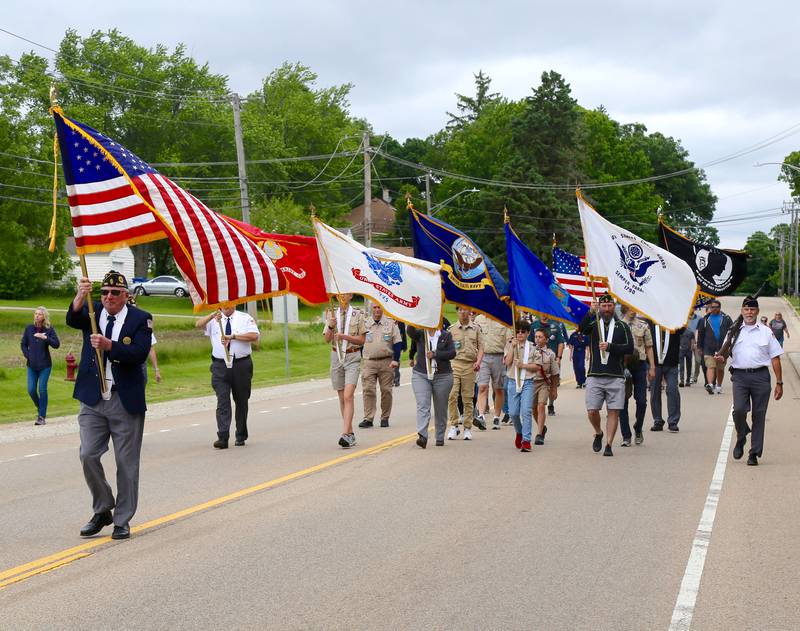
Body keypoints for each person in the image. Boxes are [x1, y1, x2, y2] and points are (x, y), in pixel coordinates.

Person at [67, 271, 152, 540]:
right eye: (104, 292)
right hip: (93, 398)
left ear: (126, 295)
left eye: (115, 293)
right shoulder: (92, 313)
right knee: (88, 454)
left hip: (123, 398)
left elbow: (139, 353)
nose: (108, 297)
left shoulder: (141, 319)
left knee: (126, 463)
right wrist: (81, 294)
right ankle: (103, 508)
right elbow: (72, 318)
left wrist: (109, 345)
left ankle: (122, 519)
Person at [715, 296, 783, 466]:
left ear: (757, 311)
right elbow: (724, 353)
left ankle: (754, 453)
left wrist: (779, 382)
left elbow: (775, 358)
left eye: (752, 309)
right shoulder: (733, 330)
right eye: (746, 309)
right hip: (740, 377)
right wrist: (720, 358)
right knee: (738, 410)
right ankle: (741, 434)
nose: (749, 312)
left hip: (761, 377)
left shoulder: (766, 331)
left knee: (759, 416)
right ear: (742, 311)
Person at [196, 304, 260, 449]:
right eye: (222, 302)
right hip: (220, 365)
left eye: (229, 302)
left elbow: (254, 336)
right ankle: (223, 437)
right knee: (223, 400)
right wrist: (212, 316)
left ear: (234, 303)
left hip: (241, 364)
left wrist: (234, 337)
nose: (225, 305)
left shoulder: (244, 318)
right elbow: (198, 324)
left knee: (241, 400)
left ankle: (241, 434)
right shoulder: (214, 319)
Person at [577, 293, 633, 457]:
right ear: (599, 307)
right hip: (595, 374)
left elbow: (629, 348)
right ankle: (599, 432)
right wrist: (589, 312)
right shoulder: (594, 324)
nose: (607, 309)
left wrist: (611, 347)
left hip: (615, 375)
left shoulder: (622, 326)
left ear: (613, 307)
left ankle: (608, 444)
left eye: (609, 306)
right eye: (604, 306)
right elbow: (582, 329)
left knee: (613, 411)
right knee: (592, 410)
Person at [323, 294, 367, 448]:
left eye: (346, 294)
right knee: (342, 397)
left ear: (351, 296)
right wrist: (330, 326)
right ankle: (350, 433)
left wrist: (345, 337)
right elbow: (326, 339)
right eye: (340, 294)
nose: (343, 297)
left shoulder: (358, 313)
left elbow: (362, 340)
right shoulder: (331, 314)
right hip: (336, 356)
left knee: (349, 395)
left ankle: (344, 433)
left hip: (352, 356)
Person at [408, 320, 456, 448]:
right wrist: (413, 317)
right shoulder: (420, 334)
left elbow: (452, 353)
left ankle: (440, 436)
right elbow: (410, 331)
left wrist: (435, 354)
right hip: (421, 375)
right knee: (423, 404)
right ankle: (422, 435)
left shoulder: (446, 335)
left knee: (440, 407)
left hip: (443, 376)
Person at [359, 303, 402, 429]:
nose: (377, 310)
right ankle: (368, 418)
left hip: (386, 362)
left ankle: (385, 417)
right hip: (369, 362)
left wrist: (396, 359)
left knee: (386, 391)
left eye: (379, 307)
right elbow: (360, 341)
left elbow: (397, 342)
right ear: (371, 309)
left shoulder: (390, 323)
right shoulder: (365, 323)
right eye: (375, 307)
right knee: (368, 389)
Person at [618, 306, 655, 447]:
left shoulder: (643, 325)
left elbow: (649, 346)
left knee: (642, 401)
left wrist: (652, 367)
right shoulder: (618, 325)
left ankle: (638, 428)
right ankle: (626, 436)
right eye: (629, 308)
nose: (633, 310)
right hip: (623, 365)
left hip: (639, 365)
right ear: (624, 309)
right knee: (622, 401)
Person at [446, 306, 484, 441]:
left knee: (467, 397)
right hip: (455, 364)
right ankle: (454, 425)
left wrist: (478, 362)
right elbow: (446, 348)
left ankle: (467, 427)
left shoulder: (476, 328)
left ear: (470, 311)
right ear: (457, 312)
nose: (463, 312)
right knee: (452, 395)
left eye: (465, 310)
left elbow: (481, 348)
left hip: (470, 365)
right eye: (460, 310)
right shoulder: (451, 329)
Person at [21, 306, 61, 425]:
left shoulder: (48, 329)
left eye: (39, 314)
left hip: (45, 365)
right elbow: (23, 344)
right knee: (31, 390)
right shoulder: (29, 328)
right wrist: (28, 355)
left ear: (44, 316)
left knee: (42, 389)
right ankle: (41, 409)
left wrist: (45, 337)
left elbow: (56, 344)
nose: (37, 315)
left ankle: (41, 417)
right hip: (31, 365)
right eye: (35, 313)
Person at [474, 313, 511, 430]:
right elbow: (474, 339)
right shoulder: (479, 319)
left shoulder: (503, 318)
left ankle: (496, 416)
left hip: (499, 357)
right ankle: (481, 416)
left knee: (498, 389)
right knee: (482, 387)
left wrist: (507, 356)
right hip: (483, 357)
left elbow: (509, 341)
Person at [503, 320, 536, 452]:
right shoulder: (510, 344)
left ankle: (527, 440)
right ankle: (519, 432)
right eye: (518, 331)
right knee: (513, 412)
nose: (520, 333)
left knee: (526, 411)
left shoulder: (532, 347)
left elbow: (536, 367)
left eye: (523, 331)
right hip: (512, 381)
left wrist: (524, 365)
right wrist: (512, 347)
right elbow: (507, 362)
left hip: (527, 382)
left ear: (528, 333)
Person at [649, 320, 685, 432]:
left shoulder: (674, 321)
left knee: (672, 390)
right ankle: (658, 420)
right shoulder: (650, 322)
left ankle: (673, 421)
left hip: (671, 363)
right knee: (655, 391)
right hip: (655, 363)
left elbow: (683, 326)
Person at [529, 314, 565, 415]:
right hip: (537, 358)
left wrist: (559, 357)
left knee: (552, 382)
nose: (543, 314)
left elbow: (560, 342)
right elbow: (529, 342)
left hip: (551, 358)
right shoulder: (534, 325)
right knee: (539, 382)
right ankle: (537, 404)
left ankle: (551, 403)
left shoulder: (555, 326)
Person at [696, 299, 732, 395]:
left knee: (720, 368)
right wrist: (699, 347)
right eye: (712, 307)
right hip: (708, 347)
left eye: (716, 307)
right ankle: (711, 384)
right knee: (710, 366)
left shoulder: (726, 319)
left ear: (720, 308)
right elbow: (700, 334)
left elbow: (731, 333)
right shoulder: (704, 320)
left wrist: (730, 346)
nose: (714, 309)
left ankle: (719, 386)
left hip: (722, 348)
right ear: (709, 308)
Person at [530, 327, 559, 445]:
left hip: (544, 383)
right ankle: (542, 427)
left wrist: (554, 389)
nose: (537, 339)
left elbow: (554, 373)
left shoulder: (550, 354)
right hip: (531, 382)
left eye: (540, 337)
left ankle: (539, 434)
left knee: (541, 405)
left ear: (546, 339)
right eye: (536, 336)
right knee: (533, 409)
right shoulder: (530, 351)